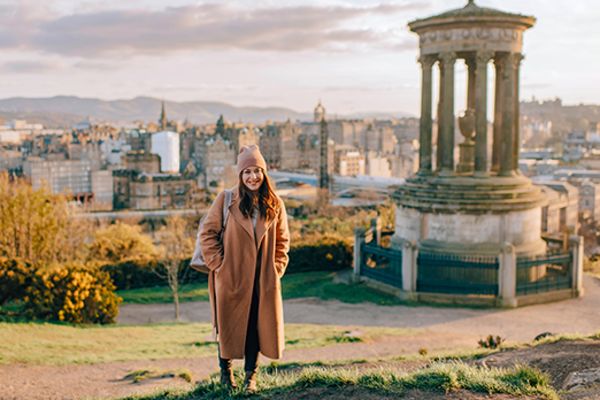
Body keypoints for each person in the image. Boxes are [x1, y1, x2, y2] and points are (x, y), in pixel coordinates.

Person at [200, 144, 290, 392]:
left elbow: (283, 242)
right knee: (227, 325)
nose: (252, 177)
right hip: (231, 276)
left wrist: (276, 270)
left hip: (262, 279)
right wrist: (219, 266)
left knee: (255, 328)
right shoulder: (226, 199)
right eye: (247, 172)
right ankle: (226, 374)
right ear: (240, 175)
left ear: (264, 173)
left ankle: (251, 377)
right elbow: (207, 234)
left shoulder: (275, 204)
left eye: (257, 171)